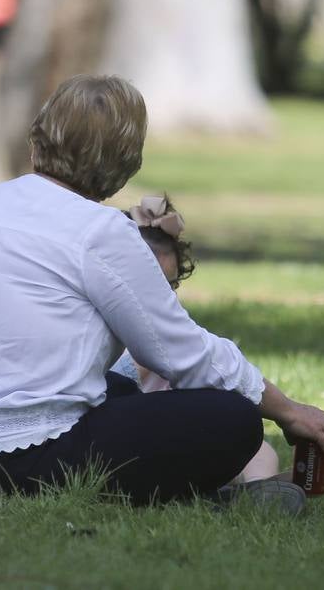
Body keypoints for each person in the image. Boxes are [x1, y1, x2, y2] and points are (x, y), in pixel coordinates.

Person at [0, 74, 324, 506]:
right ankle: (208, 494)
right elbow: (182, 352)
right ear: (127, 163)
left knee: (120, 386)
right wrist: (285, 409)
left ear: (36, 138)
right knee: (232, 419)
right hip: (10, 459)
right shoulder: (101, 230)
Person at [111, 195, 285, 487]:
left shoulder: (173, 335)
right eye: (150, 285)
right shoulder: (100, 331)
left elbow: (209, 371)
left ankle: (260, 488)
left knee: (259, 450)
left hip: (169, 430)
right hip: (114, 434)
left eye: (170, 286)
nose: (162, 297)